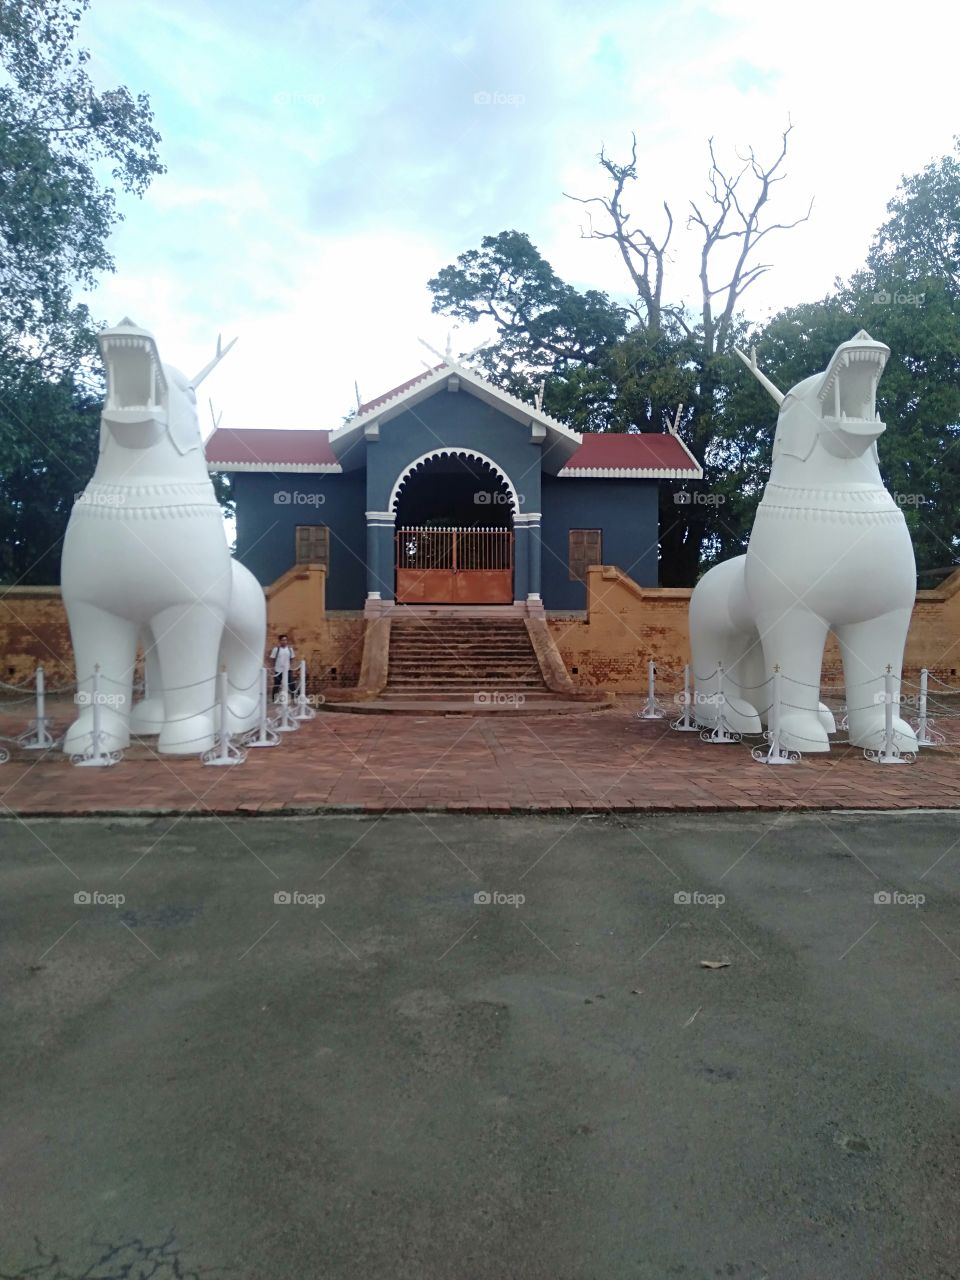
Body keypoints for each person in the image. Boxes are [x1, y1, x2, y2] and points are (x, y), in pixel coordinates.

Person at [270, 633, 295, 701]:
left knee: (291, 684)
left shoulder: (290, 649)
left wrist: (290, 666)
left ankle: (294, 698)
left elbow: (292, 658)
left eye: (285, 640)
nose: (284, 641)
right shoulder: (276, 649)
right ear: (280, 641)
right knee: (277, 685)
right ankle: (274, 699)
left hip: (287, 670)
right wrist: (273, 668)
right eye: (282, 640)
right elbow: (272, 658)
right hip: (278, 670)